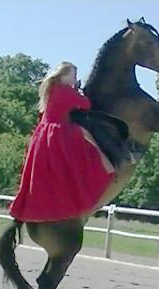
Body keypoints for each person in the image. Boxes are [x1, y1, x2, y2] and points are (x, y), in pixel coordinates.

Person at [9, 62, 115, 223]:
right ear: (63, 76)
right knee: (92, 144)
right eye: (72, 76)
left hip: (43, 133)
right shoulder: (66, 91)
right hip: (59, 131)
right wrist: (77, 91)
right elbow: (85, 104)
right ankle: (103, 170)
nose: (74, 79)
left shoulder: (51, 90)